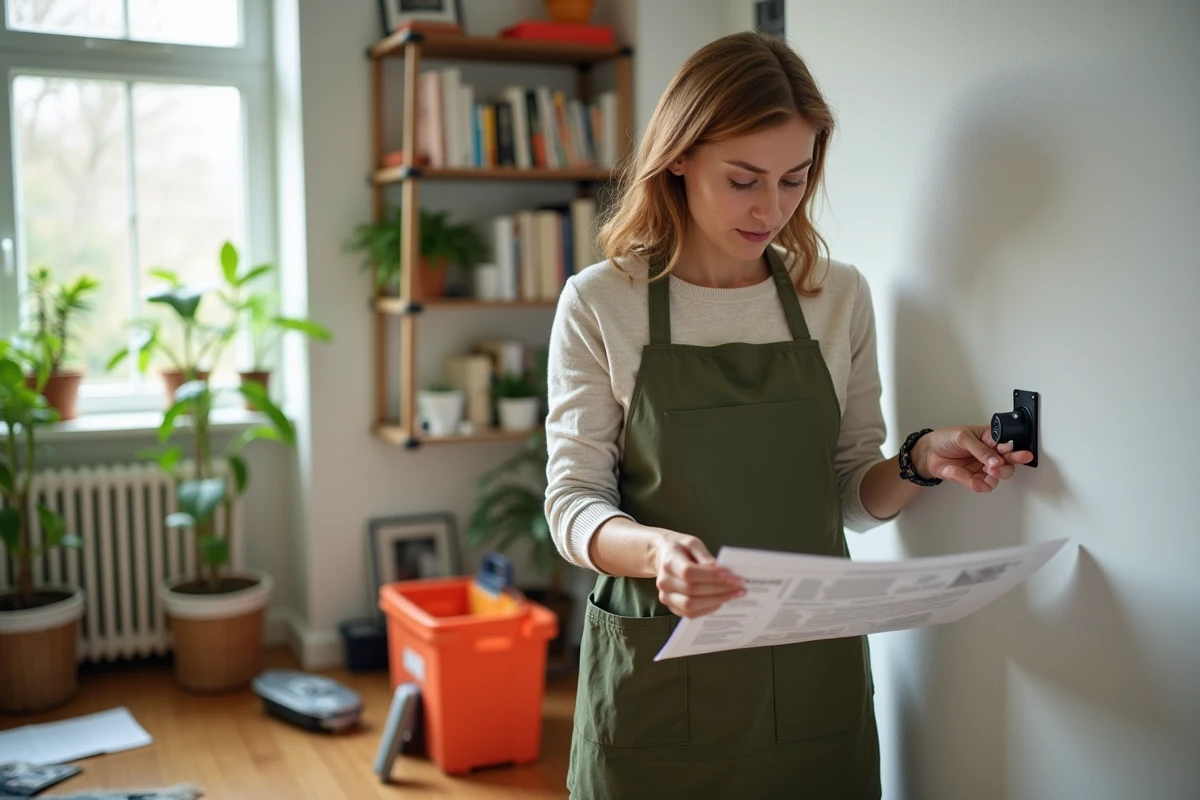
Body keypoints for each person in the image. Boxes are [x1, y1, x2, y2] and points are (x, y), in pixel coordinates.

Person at [543, 31, 1033, 800]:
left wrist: (917, 461)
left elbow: (846, 493)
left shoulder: (837, 296)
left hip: (812, 685)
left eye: (794, 180)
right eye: (742, 180)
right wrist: (657, 553)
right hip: (660, 677)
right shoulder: (602, 302)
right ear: (679, 156)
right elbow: (571, 506)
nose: (770, 209)